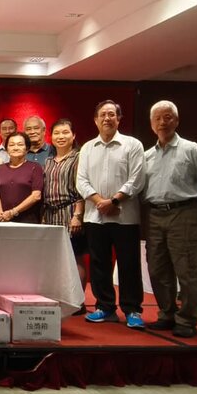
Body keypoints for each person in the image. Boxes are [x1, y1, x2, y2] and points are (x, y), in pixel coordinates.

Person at [143, 100, 197, 338]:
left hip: (184, 213)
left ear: (176, 121)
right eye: (157, 118)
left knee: (186, 269)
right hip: (155, 214)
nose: (162, 122)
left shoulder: (192, 150)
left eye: (167, 117)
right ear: (151, 124)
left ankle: (187, 319)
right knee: (157, 268)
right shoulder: (147, 156)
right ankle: (167, 314)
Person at [77, 100, 146, 329]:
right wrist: (100, 202)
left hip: (125, 216)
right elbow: (81, 181)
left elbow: (137, 179)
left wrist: (115, 200)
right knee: (99, 264)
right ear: (96, 120)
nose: (107, 118)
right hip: (95, 216)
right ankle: (105, 307)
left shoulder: (132, 145)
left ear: (119, 118)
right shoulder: (88, 148)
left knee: (129, 263)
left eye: (111, 114)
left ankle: (132, 309)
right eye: (103, 115)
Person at [42, 119, 87, 310]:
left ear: (73, 135)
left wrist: (78, 215)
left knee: (74, 257)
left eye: (65, 132)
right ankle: (59, 298)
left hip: (70, 212)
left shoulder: (78, 158)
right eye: (57, 133)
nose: (61, 136)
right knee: (55, 259)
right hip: (51, 215)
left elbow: (81, 190)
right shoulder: (49, 161)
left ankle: (79, 302)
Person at [0, 132, 43, 224]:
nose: (15, 148)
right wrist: (1, 214)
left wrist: (13, 212)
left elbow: (36, 195)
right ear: (6, 149)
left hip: (28, 220)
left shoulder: (35, 167)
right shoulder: (0, 169)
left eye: (20, 144)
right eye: (11, 145)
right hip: (4, 220)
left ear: (27, 148)